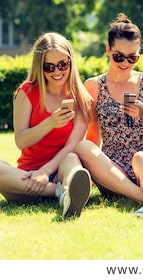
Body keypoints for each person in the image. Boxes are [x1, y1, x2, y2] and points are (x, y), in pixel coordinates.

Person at [75, 13, 143, 216]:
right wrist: (94, 170)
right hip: (113, 170)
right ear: (108, 50)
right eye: (119, 56)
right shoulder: (93, 86)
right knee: (83, 147)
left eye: (132, 57)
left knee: (140, 157)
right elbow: (93, 137)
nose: (125, 63)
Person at [0, 32, 92, 218]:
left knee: (73, 160)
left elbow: (72, 145)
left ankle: (68, 190)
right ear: (39, 67)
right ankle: (59, 193)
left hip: (60, 169)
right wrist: (49, 123)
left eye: (62, 65)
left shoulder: (81, 98)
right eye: (49, 67)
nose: (57, 72)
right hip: (26, 176)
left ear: (70, 62)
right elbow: (21, 141)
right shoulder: (27, 92)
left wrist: (46, 171)